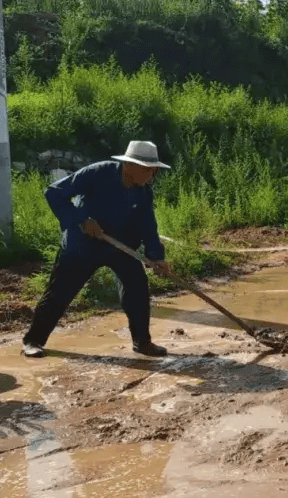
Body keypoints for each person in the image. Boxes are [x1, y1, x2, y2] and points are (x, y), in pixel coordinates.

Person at [22, 141, 174, 359]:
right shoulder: (98, 173)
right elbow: (54, 192)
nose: (152, 174)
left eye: (154, 170)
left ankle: (142, 342)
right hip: (83, 243)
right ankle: (33, 340)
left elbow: (148, 226)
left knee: (138, 289)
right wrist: (82, 219)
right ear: (130, 165)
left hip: (120, 245)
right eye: (147, 169)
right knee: (60, 293)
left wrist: (157, 258)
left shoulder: (143, 193)